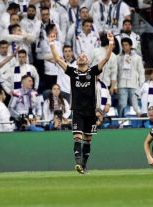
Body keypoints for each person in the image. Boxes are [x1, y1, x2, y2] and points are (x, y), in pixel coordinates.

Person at [48, 31, 114, 174]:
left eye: (84, 56)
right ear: (77, 61)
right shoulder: (72, 72)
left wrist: (111, 42)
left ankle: (83, 165)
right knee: (77, 137)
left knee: (88, 140)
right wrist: (52, 43)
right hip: (77, 110)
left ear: (88, 61)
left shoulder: (93, 72)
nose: (81, 57)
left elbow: (107, 57)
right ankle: (78, 163)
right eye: (79, 56)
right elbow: (58, 59)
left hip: (91, 111)